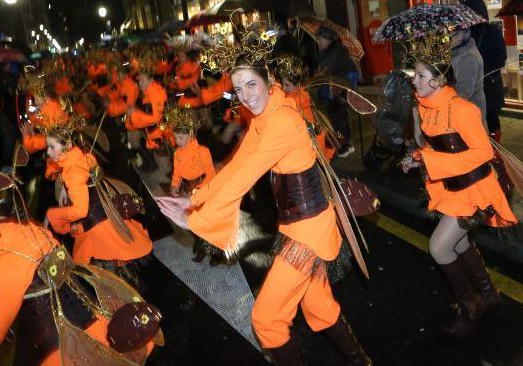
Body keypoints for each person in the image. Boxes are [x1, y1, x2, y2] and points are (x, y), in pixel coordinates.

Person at [156, 56, 370, 365]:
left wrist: (196, 219)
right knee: (318, 307)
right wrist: (195, 198)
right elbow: (237, 164)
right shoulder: (264, 116)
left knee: (266, 320)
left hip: (308, 233)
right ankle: (360, 360)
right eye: (238, 88)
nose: (245, 95)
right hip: (297, 226)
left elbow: (247, 175)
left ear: (268, 79)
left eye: (251, 84)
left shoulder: (282, 120)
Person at [0, 150, 161, 365]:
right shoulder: (31, 231)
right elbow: (14, 296)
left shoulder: (1, 268)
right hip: (93, 330)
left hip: (65, 354)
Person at [400, 34, 517, 337]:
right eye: (415, 74)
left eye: (421, 75)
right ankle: (489, 295)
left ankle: (471, 303)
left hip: (475, 190)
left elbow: (484, 153)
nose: (415, 80)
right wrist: (417, 157)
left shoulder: (462, 109)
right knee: (459, 243)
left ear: (438, 80)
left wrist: (431, 162)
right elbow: (439, 149)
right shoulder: (427, 107)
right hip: (453, 189)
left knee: (439, 247)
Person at [43, 124, 154, 289]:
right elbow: (96, 175)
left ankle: (125, 299)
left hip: (97, 228)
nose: (49, 152)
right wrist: (67, 189)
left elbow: (81, 210)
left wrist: (53, 214)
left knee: (109, 274)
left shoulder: (73, 173)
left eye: (52, 147)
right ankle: (134, 288)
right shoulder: (84, 157)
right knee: (119, 257)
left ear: (66, 145)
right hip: (106, 216)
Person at [165, 106, 223, 264]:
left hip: (203, 190)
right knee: (193, 221)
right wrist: (175, 185)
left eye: (180, 138)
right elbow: (176, 173)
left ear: (190, 134)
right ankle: (201, 245)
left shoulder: (202, 151)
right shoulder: (177, 153)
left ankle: (216, 251)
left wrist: (198, 190)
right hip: (187, 191)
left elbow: (211, 174)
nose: (177, 141)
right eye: (175, 138)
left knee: (209, 222)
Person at [463, 0, 506, 141]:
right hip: (478, 82)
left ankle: (494, 146)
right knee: (478, 116)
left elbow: (500, 57)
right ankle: (483, 144)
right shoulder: (466, 33)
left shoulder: (490, 31)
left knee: (490, 115)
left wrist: (483, 69)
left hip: (488, 82)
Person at [315, 26, 358, 158]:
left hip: (342, 85)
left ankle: (345, 144)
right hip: (338, 85)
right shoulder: (330, 49)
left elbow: (327, 68)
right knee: (337, 112)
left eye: (320, 39)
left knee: (338, 112)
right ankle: (342, 143)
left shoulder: (335, 50)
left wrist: (319, 74)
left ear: (327, 38)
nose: (318, 41)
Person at [449, 27, 486, 120]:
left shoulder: (467, 57)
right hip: (466, 110)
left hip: (469, 113)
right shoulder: (459, 53)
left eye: (449, 37)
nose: (446, 40)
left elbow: (463, 92)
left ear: (460, 36)